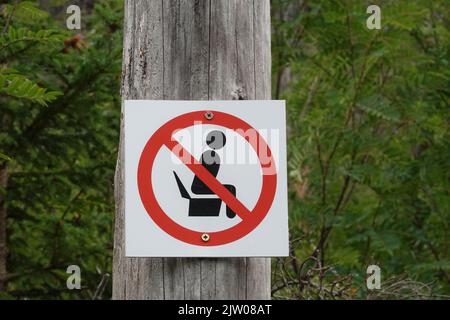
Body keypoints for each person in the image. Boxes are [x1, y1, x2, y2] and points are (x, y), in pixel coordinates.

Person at [191, 130, 236, 218]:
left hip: (208, 185)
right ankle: (231, 214)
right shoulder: (208, 155)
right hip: (199, 187)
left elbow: (211, 176)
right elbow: (203, 174)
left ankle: (233, 213)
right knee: (230, 189)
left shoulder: (214, 156)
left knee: (231, 188)